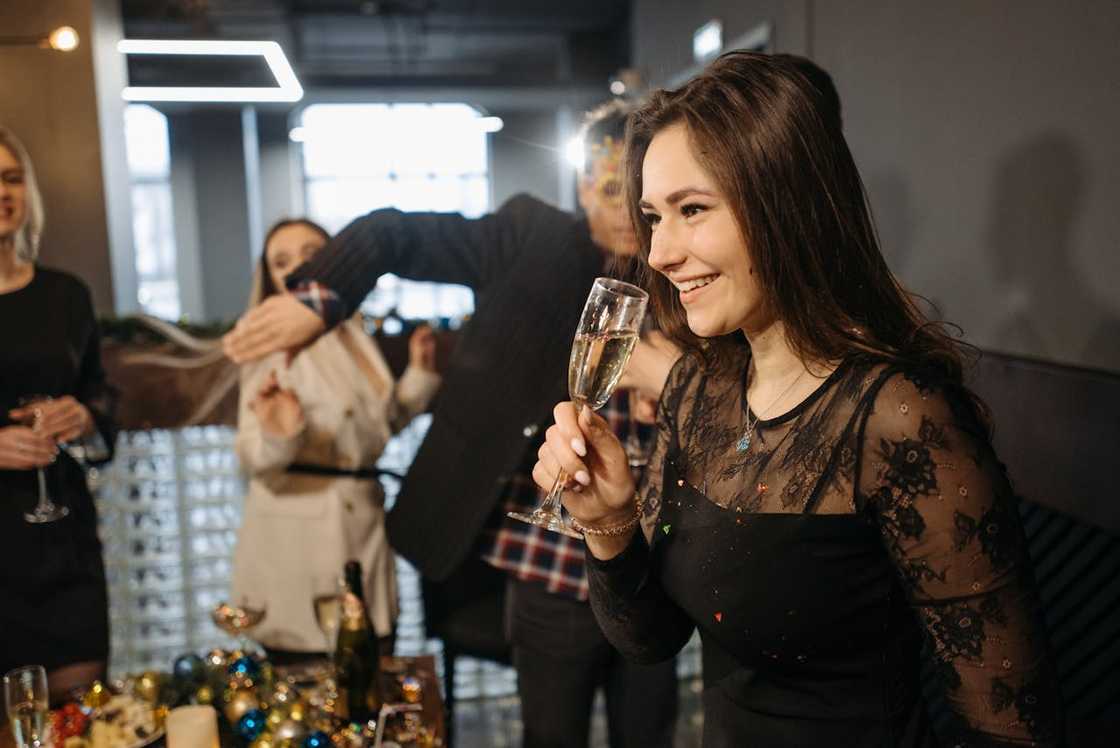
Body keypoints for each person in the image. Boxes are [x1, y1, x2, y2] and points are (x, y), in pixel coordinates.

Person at [532, 52, 1064, 746]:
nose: (659, 251)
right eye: (653, 217)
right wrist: (608, 519)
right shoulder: (699, 389)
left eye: (691, 210)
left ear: (783, 206)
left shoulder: (900, 416)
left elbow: (1010, 720)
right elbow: (651, 639)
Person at [223, 103, 680, 748]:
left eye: (647, 200)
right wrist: (317, 300)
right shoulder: (532, 235)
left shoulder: (689, 265)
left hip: (658, 560)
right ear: (582, 187)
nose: (631, 214)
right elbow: (392, 233)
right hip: (553, 561)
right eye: (612, 192)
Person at [231, 218, 440, 661]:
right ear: (269, 278)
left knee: (372, 671)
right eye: (281, 262)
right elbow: (252, 455)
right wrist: (279, 432)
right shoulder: (270, 340)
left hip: (364, 529)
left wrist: (418, 377)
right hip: (299, 542)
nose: (298, 268)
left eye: (312, 254)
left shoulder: (352, 334)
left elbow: (369, 432)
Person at [0, 126, 117, 701]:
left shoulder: (67, 295)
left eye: (11, 178)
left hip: (64, 540)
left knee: (82, 715)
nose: (2, 192)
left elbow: (100, 395)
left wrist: (86, 417)